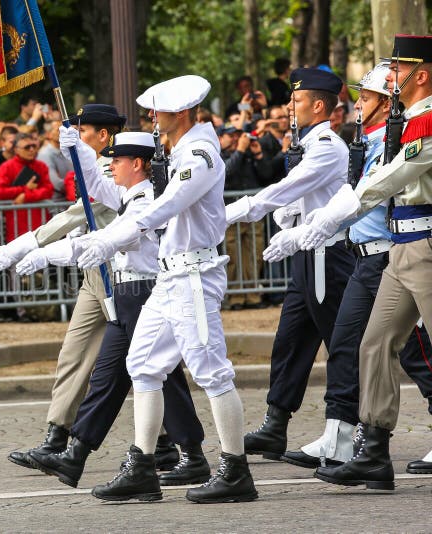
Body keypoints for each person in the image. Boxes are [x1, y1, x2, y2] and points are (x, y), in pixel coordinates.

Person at [74, 76, 257, 504]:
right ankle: (142, 467)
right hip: (171, 276)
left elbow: (168, 204)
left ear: (180, 113)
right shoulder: (177, 152)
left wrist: (112, 237)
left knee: (211, 370)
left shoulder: (199, 153)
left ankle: (235, 469)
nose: (153, 120)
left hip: (194, 275)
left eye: (158, 113)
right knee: (142, 365)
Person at [0, 105, 187, 474]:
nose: (78, 134)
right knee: (78, 355)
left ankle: (170, 443)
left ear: (105, 135)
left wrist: (26, 246)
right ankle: (59, 439)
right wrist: (76, 154)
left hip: (124, 275)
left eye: (84, 130)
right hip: (97, 274)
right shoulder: (102, 168)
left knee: (145, 363)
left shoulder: (120, 171)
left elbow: (76, 215)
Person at [18, 130, 209, 490]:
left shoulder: (146, 199)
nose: (111, 166)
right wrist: (76, 148)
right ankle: (77, 453)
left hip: (144, 291)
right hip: (125, 293)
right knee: (106, 377)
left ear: (137, 164)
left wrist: (46, 253)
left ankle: (191, 454)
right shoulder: (128, 193)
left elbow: (108, 236)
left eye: (116, 160)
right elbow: (92, 182)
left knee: (162, 377)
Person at [267, 62, 432, 471]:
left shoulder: (422, 124)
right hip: (394, 250)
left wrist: (322, 221)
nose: (358, 105)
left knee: (414, 351)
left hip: (418, 244)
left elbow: (383, 182)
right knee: (369, 345)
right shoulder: (390, 132)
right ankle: (371, 450)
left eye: (368, 96)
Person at [225, 68, 355, 462]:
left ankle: (355, 430)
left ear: (318, 106)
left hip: (328, 256)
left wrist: (227, 213)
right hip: (305, 253)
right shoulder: (306, 144)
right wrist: (289, 219)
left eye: (296, 101)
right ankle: (275, 424)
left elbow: (284, 190)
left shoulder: (329, 146)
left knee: (342, 344)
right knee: (290, 342)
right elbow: (296, 197)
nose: (289, 105)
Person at [219, 123, 273, 310]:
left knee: (255, 254)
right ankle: (236, 298)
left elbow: (267, 175)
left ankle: (252, 295)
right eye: (230, 135)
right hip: (230, 214)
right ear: (220, 139)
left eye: (238, 135)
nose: (235, 139)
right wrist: (240, 152)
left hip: (252, 213)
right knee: (233, 256)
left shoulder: (249, 154)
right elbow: (225, 174)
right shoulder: (219, 156)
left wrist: (257, 155)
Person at [0, 132, 54, 242]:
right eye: (27, 147)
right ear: (16, 149)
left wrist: (26, 196)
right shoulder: (6, 167)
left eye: (34, 146)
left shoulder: (42, 166)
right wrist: (25, 189)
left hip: (40, 222)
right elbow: (0, 192)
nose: (31, 150)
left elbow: (48, 190)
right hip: (16, 223)